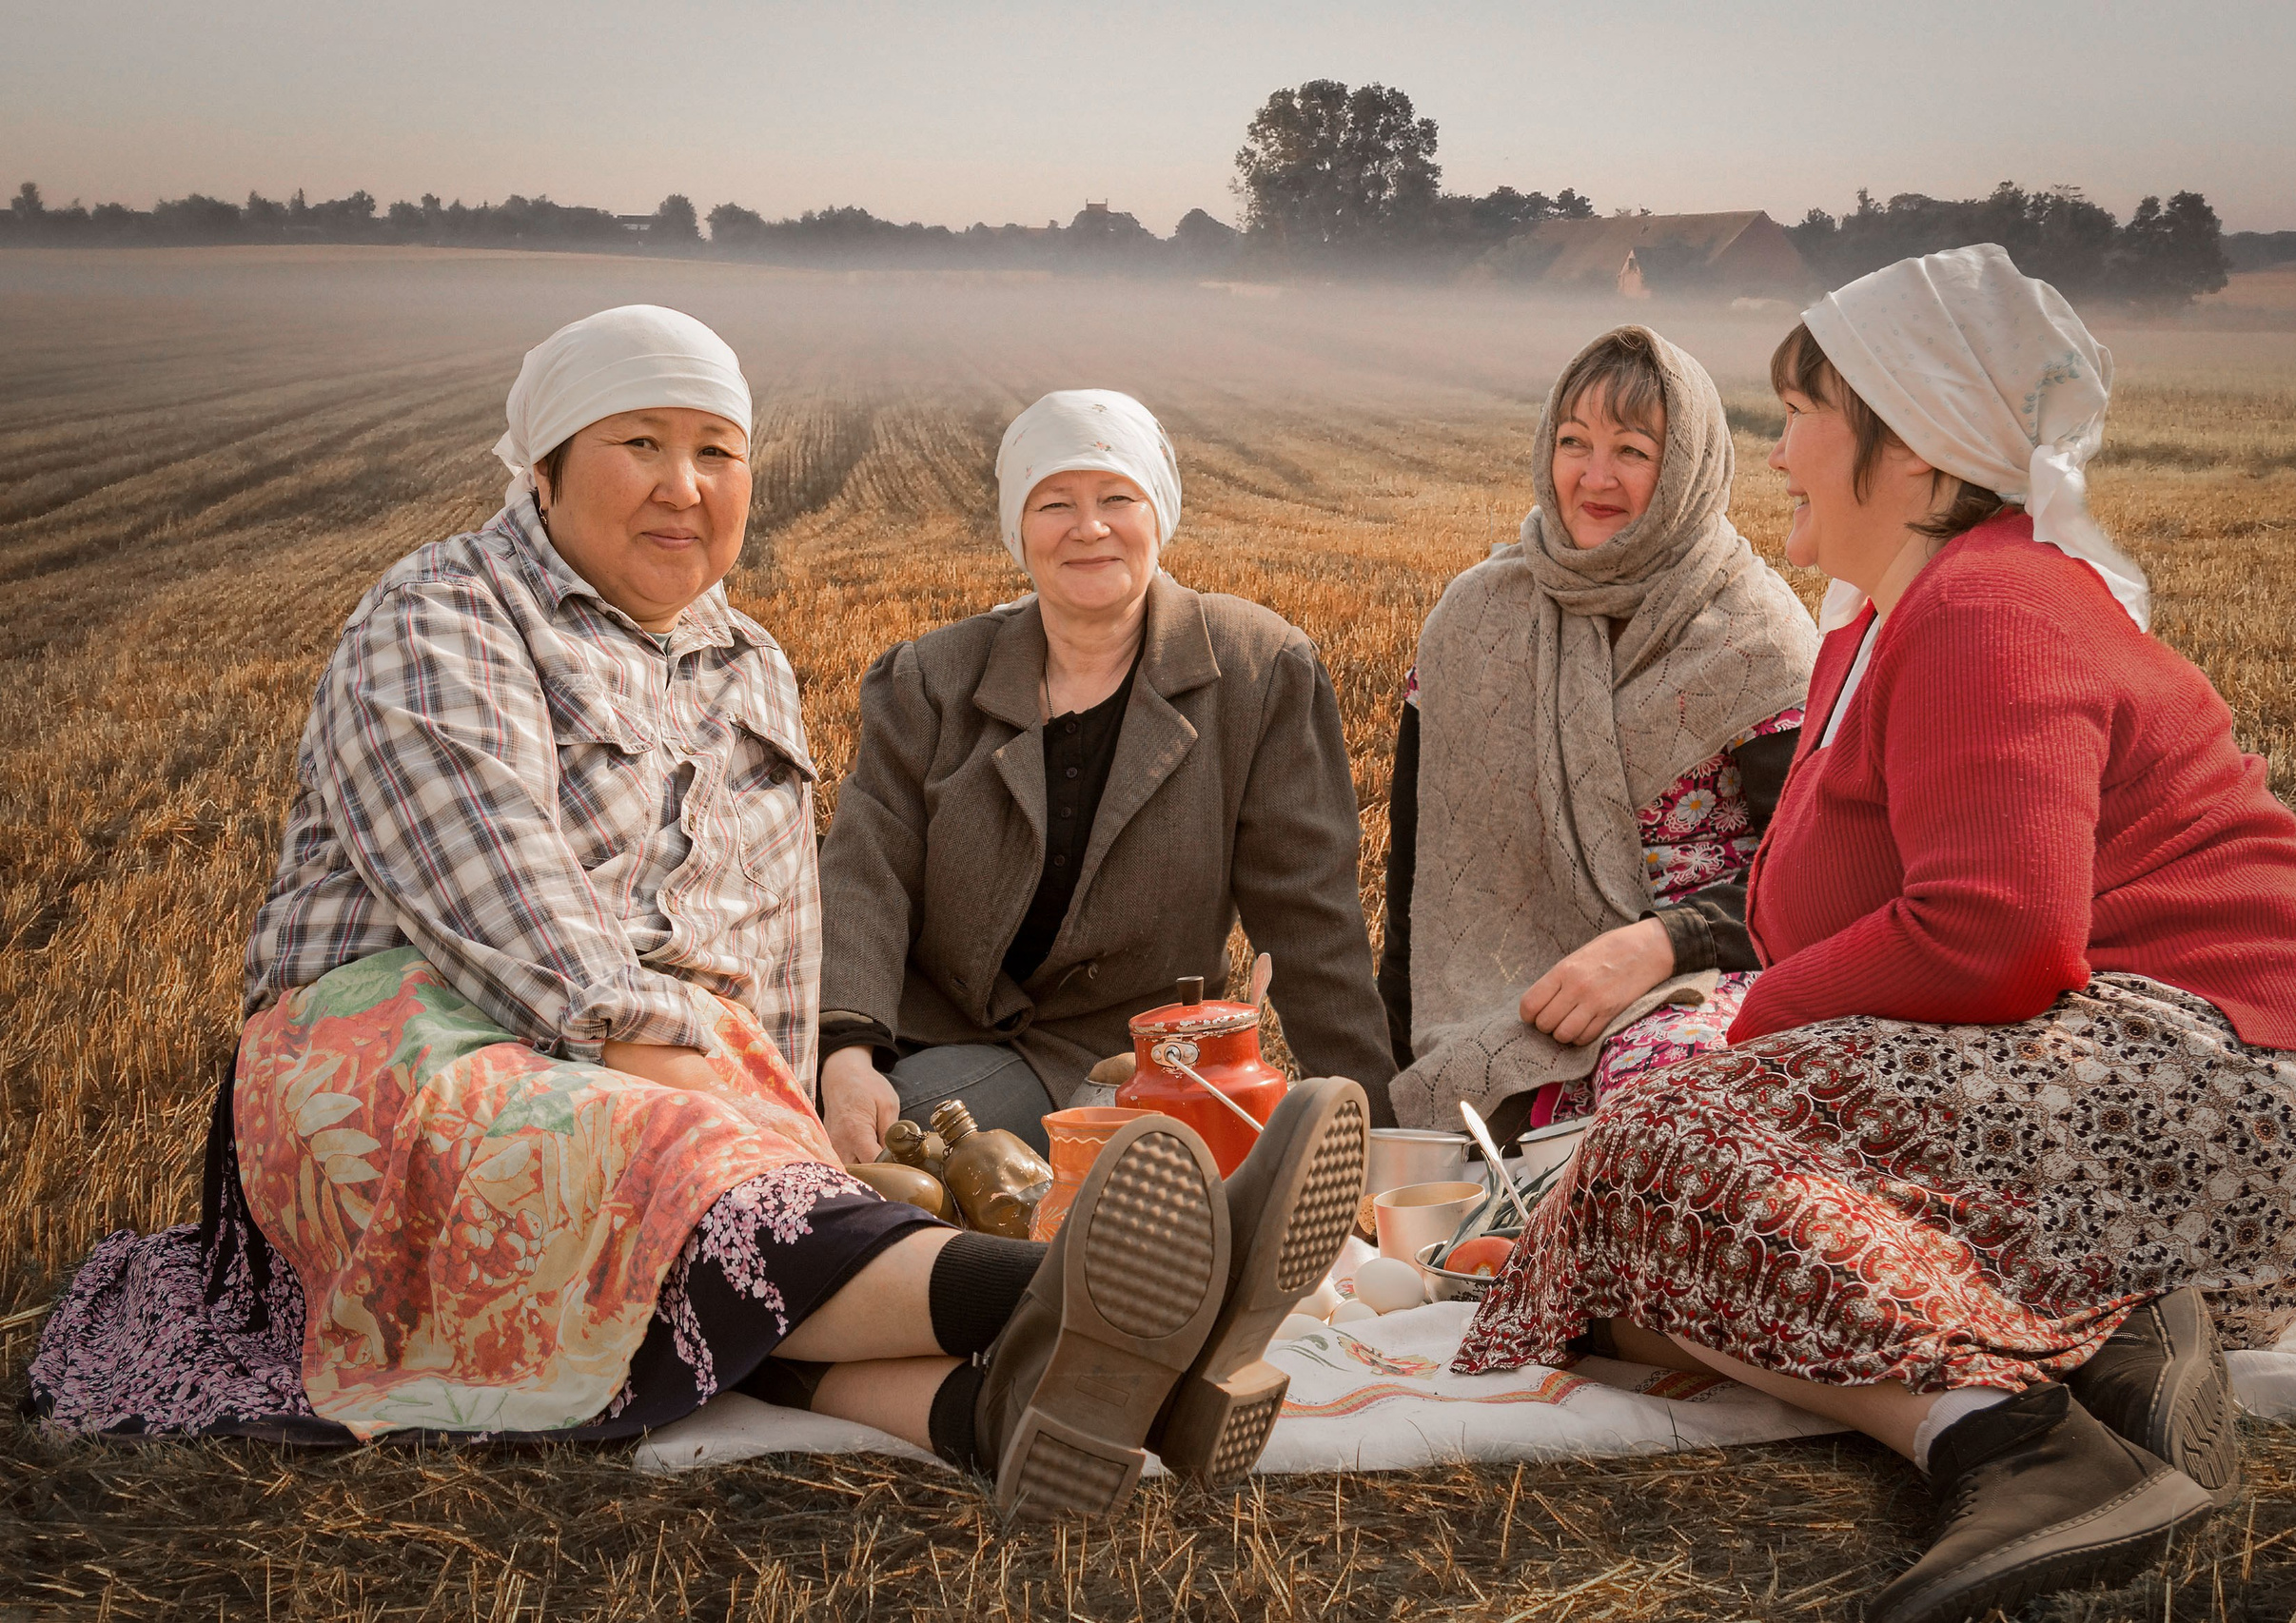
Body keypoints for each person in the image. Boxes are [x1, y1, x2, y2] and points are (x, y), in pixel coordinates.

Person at [26, 308, 1370, 1517]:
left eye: (718, 452)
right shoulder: (440, 615)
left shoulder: (750, 665)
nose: (685, 486)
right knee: (676, 1161)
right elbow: (505, 896)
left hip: (661, 1068)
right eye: (642, 444)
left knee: (722, 1198)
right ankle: (1094, 1301)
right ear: (543, 469)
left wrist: (784, 1101)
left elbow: (781, 931)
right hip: (406, 1050)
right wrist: (709, 1090)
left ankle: (990, 1407)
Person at [1454, 246, 2296, 1622]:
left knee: (1658, 1158)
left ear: (1916, 446)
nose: (1778, 457)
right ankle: (2110, 1357)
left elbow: (1995, 935)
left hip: (2222, 1089)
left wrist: (1754, 1037)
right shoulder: (1879, 629)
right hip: (2126, 1099)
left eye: (1805, 416)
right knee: (1593, 1253)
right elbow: (1819, 918)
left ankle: (2019, 1441)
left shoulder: (1990, 604)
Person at [815, 389, 1395, 1162]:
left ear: (1159, 511)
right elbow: (866, 872)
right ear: (1018, 530)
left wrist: (1374, 1137)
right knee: (772, 1121)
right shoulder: (933, 678)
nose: (1089, 528)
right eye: (1054, 502)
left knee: (891, 1147)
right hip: (917, 1030)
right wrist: (845, 1052)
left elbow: (1310, 920)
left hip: (1122, 1061)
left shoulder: (1255, 672)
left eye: (1117, 497)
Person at [1380, 326, 1817, 1136]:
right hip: (1510, 1001)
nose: (1595, 476)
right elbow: (1421, 882)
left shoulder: (1759, 638)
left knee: (1660, 1099)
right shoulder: (1475, 622)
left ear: (1688, 465)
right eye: (1574, 441)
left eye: (1633, 450)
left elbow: (1813, 871)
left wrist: (1666, 942)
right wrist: (1385, 1075)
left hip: (1703, 975)